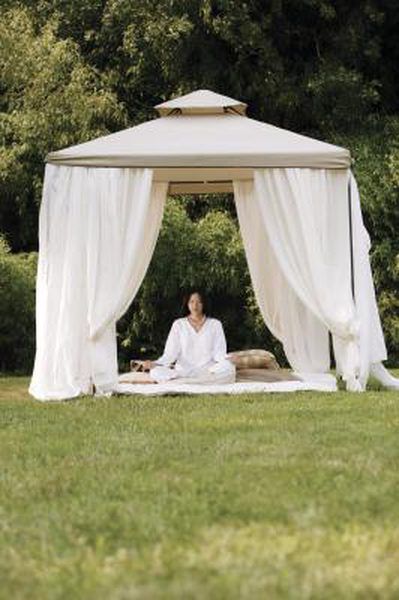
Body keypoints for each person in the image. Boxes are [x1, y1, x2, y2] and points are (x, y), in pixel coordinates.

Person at [142, 290, 236, 384]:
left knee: (229, 367)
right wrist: (155, 363)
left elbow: (219, 352)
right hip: (182, 373)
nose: (195, 305)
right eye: (192, 302)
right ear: (187, 304)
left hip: (207, 371)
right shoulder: (179, 324)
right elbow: (170, 353)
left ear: (204, 304)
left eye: (199, 302)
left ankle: (183, 383)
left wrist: (226, 359)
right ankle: (196, 382)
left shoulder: (215, 324)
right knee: (155, 371)